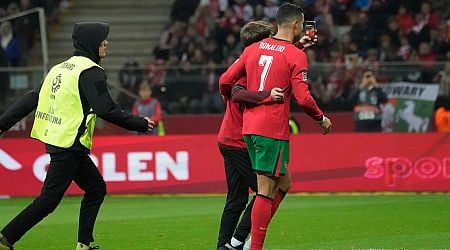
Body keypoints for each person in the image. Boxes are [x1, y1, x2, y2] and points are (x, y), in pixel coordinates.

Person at [0, 22, 155, 250]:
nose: (106, 43)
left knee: (95, 188)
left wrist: (2, 124)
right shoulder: (91, 72)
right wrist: (140, 123)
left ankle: (84, 244)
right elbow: (106, 110)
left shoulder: (60, 68)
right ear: (93, 42)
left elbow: (32, 98)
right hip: (69, 143)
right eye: (103, 39)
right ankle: (6, 238)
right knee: (49, 200)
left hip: (61, 140)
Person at [219, 4, 332, 249]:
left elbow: (225, 79)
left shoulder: (253, 49)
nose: (302, 27)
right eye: (301, 23)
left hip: (248, 129)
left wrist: (224, 93)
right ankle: (249, 245)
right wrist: (321, 118)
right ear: (295, 25)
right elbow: (303, 98)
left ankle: (240, 242)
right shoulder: (295, 55)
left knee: (282, 183)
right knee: (265, 191)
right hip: (271, 128)